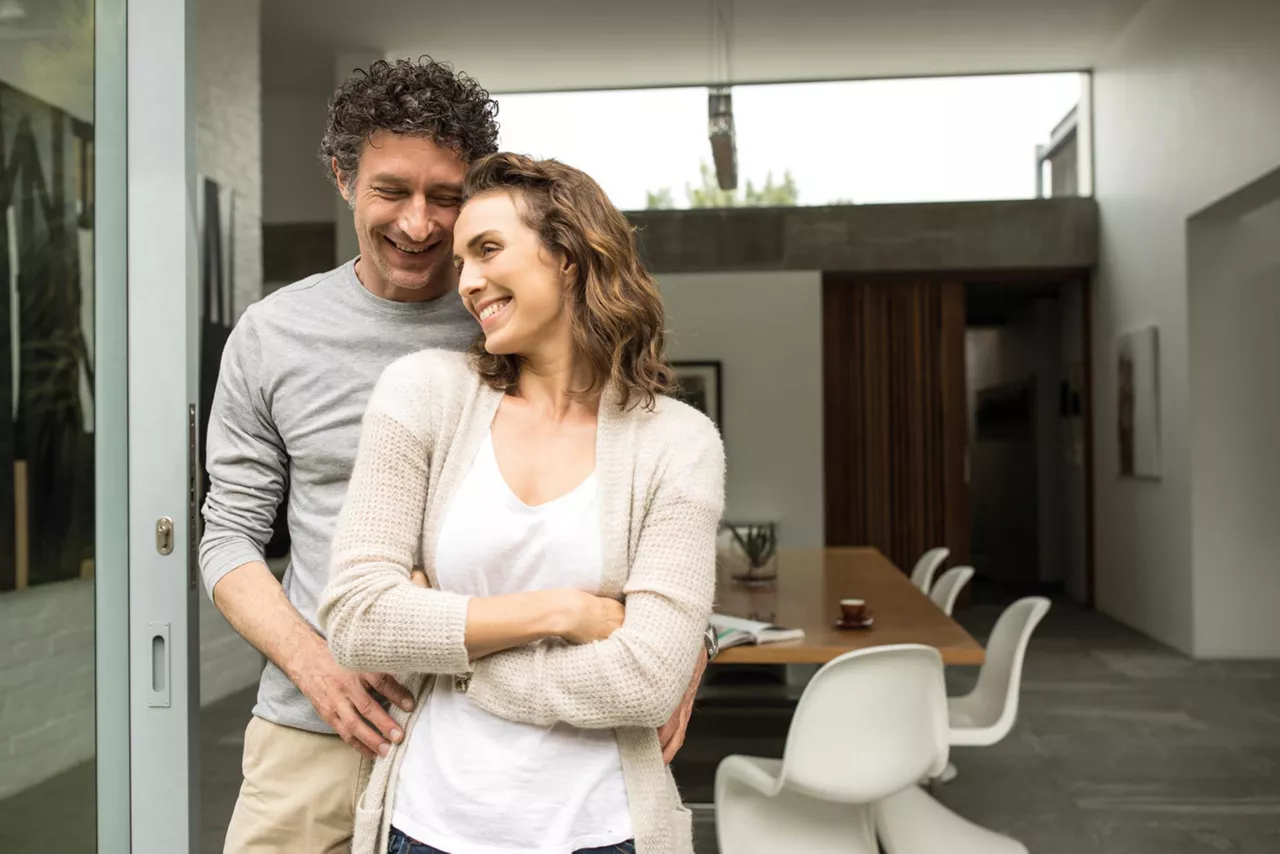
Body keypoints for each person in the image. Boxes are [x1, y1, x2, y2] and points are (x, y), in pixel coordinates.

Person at [200, 58, 711, 854]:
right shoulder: (273, 335)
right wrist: (319, 661)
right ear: (343, 179)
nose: (418, 224)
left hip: (509, 740)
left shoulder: (514, 314)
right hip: (321, 724)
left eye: (445, 197)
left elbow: (637, 502)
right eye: (390, 191)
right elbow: (228, 534)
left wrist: (681, 646)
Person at [319, 153, 725, 854]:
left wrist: (452, 652)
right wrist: (560, 613)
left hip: (604, 833)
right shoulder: (422, 394)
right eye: (461, 260)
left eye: (487, 250)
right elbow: (357, 619)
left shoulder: (679, 442)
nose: (468, 283)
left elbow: (648, 679)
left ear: (567, 256)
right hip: (427, 828)